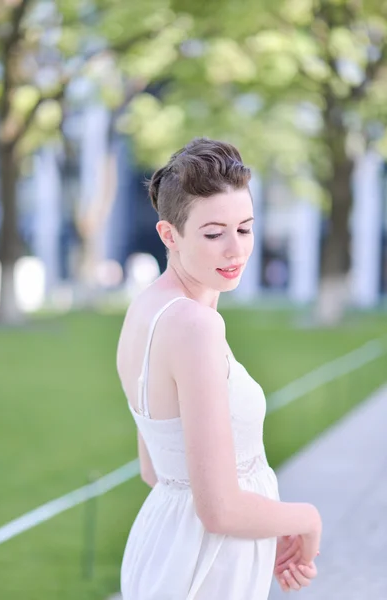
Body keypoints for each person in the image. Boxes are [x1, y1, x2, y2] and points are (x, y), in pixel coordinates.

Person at [116, 138, 322, 600]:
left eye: (245, 229)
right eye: (213, 234)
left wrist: (262, 526)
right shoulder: (194, 325)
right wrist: (305, 518)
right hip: (204, 566)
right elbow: (220, 511)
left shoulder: (147, 309)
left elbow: (158, 469)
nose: (235, 250)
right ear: (169, 235)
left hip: (174, 546)